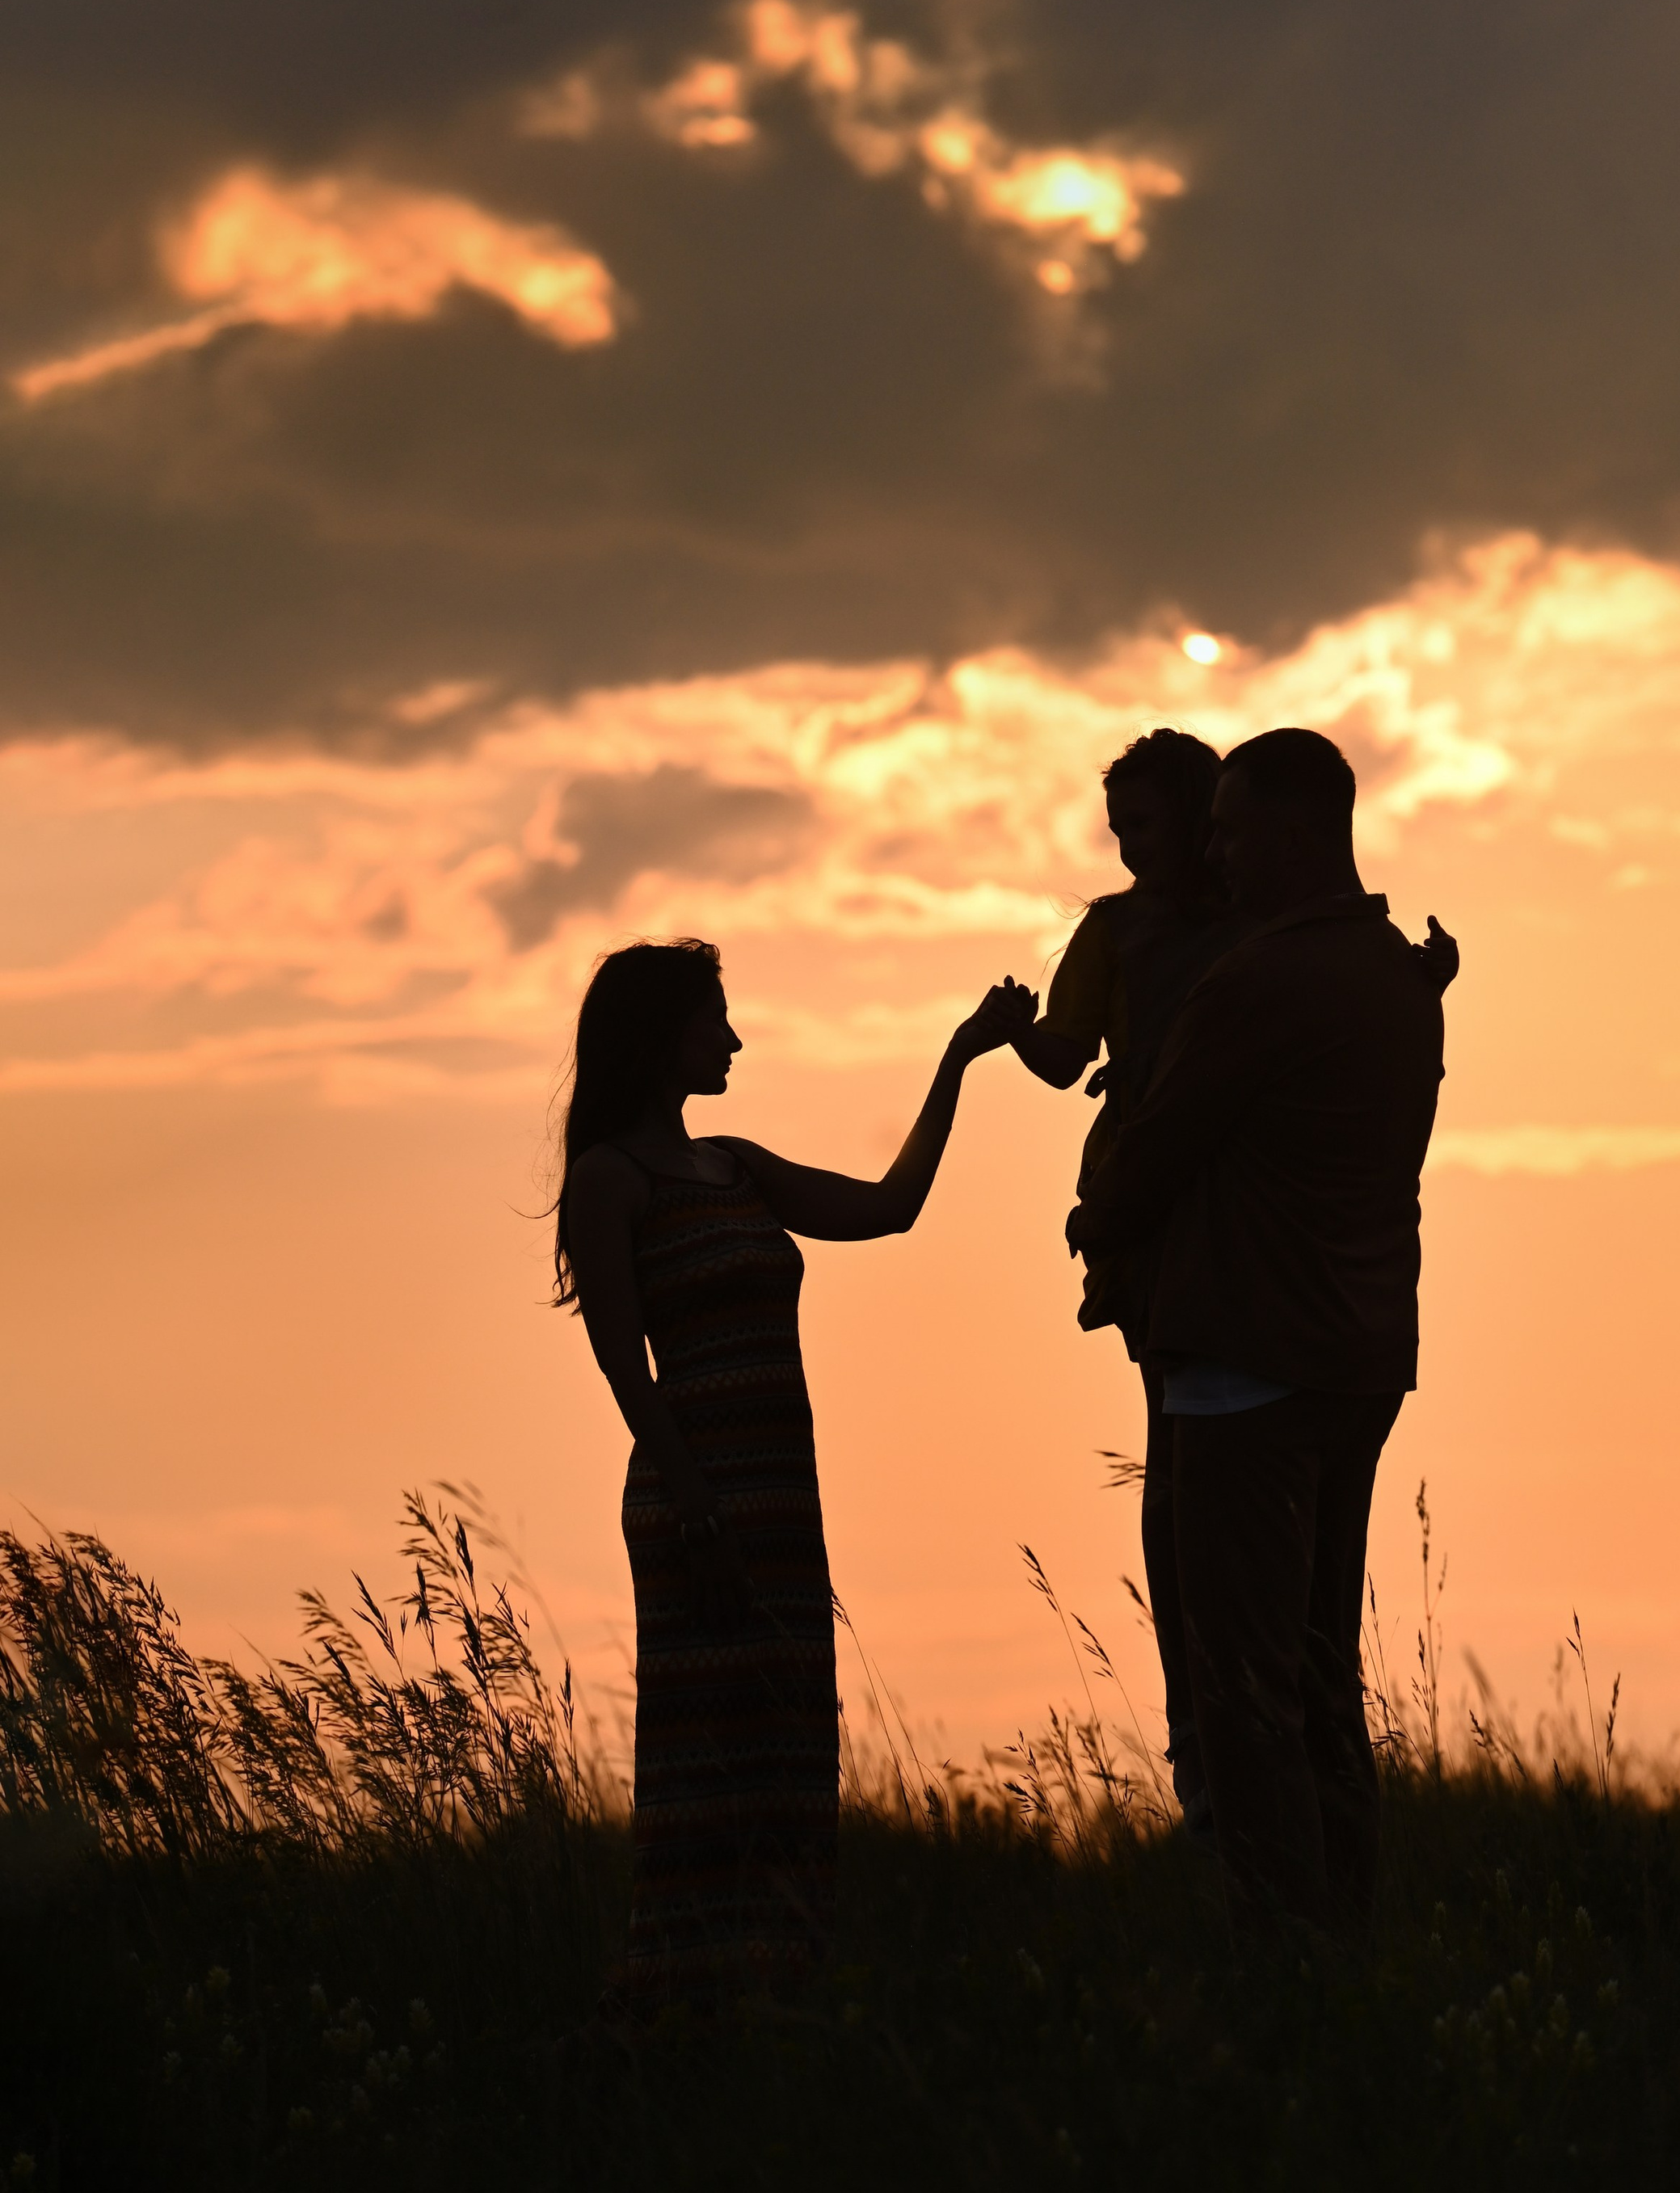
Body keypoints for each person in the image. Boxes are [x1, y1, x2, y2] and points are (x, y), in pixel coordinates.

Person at [553, 936, 1034, 2014]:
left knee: (787, 1742)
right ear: (656, 1035)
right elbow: (625, 1367)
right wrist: (694, 1502)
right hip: (702, 1499)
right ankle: (677, 2003)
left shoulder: (736, 1163)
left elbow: (891, 1204)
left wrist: (960, 1057)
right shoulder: (610, 1182)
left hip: (780, 1498)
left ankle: (782, 1990)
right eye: (711, 1019)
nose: (731, 1037)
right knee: (705, 1750)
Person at [1066, 730, 1449, 1934]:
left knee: (1240, 1681)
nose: (1214, 854)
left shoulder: (1256, 982)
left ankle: (1280, 1949)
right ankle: (1349, 1928)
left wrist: (1098, 1213)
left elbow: (1153, 1153)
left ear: (1288, 834)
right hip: (1363, 1356)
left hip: (1244, 1367)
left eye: (1229, 829)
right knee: (1322, 1666)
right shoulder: (1395, 974)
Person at [1012, 728, 1248, 1830]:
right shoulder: (1114, 931)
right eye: (1119, 832)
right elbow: (1064, 1055)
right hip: (1150, 1206)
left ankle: (1229, 1717)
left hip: (1237, 1195)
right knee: (1176, 1449)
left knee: (1217, 1447)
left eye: (1143, 826)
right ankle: (1199, 1723)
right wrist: (1016, 1032)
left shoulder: (1248, 919)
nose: (1128, 849)